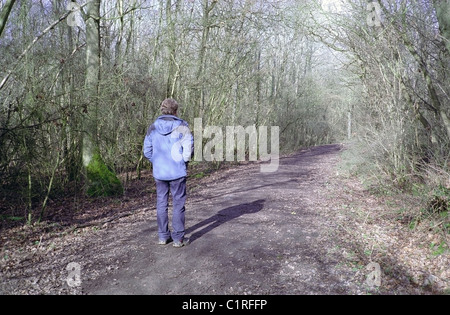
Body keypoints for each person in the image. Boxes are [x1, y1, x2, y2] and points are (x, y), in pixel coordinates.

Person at [143, 98, 193, 248]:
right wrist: (182, 162)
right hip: (177, 172)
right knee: (178, 204)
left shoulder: (152, 128)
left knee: (161, 203)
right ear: (176, 111)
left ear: (162, 110)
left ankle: (163, 237)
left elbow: (147, 152)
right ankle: (178, 239)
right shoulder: (182, 127)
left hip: (160, 173)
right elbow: (188, 152)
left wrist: (157, 162)